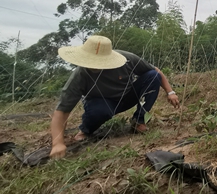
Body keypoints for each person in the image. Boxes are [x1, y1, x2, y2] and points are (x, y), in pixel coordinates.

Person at [49, 35, 180, 159]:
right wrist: (57, 143)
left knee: (152, 76)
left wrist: (170, 92)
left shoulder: (127, 59)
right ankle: (86, 130)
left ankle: (139, 121)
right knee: (100, 111)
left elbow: (155, 70)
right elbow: (62, 110)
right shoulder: (80, 75)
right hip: (101, 104)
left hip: (127, 97)